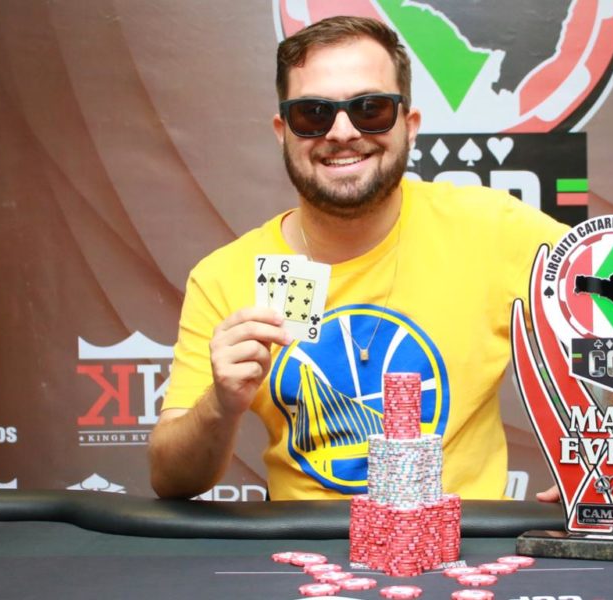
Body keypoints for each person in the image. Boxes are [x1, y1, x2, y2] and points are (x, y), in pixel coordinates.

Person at [148, 16, 570, 501]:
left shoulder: (492, 229)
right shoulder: (224, 276)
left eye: (371, 109)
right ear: (283, 132)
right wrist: (220, 404)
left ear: (410, 126)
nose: (343, 132)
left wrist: (607, 456)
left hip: (461, 539)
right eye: (313, 114)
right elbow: (171, 479)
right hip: (300, 544)